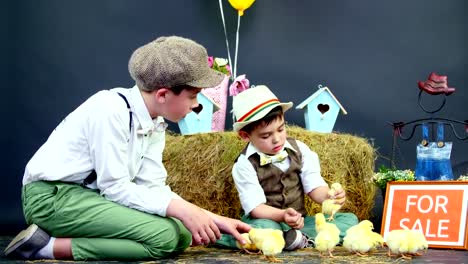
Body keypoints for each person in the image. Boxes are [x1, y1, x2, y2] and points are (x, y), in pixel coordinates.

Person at [4, 36, 251, 261]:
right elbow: (115, 188)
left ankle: (52, 243)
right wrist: (183, 210)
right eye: (194, 96)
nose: (196, 105)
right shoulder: (110, 109)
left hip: (89, 197)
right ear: (163, 94)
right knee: (164, 237)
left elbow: (152, 187)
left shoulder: (155, 123)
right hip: (52, 197)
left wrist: (214, 220)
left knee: (182, 234)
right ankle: (46, 247)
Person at [217, 85, 358, 250]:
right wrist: (282, 215)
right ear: (245, 135)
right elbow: (256, 209)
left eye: (281, 129)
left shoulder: (300, 149)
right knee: (262, 229)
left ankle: (294, 239)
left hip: (300, 223)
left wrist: (329, 196)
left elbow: (314, 187)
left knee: (350, 220)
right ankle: (234, 238)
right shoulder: (244, 164)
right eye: (266, 136)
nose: (277, 139)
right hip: (267, 220)